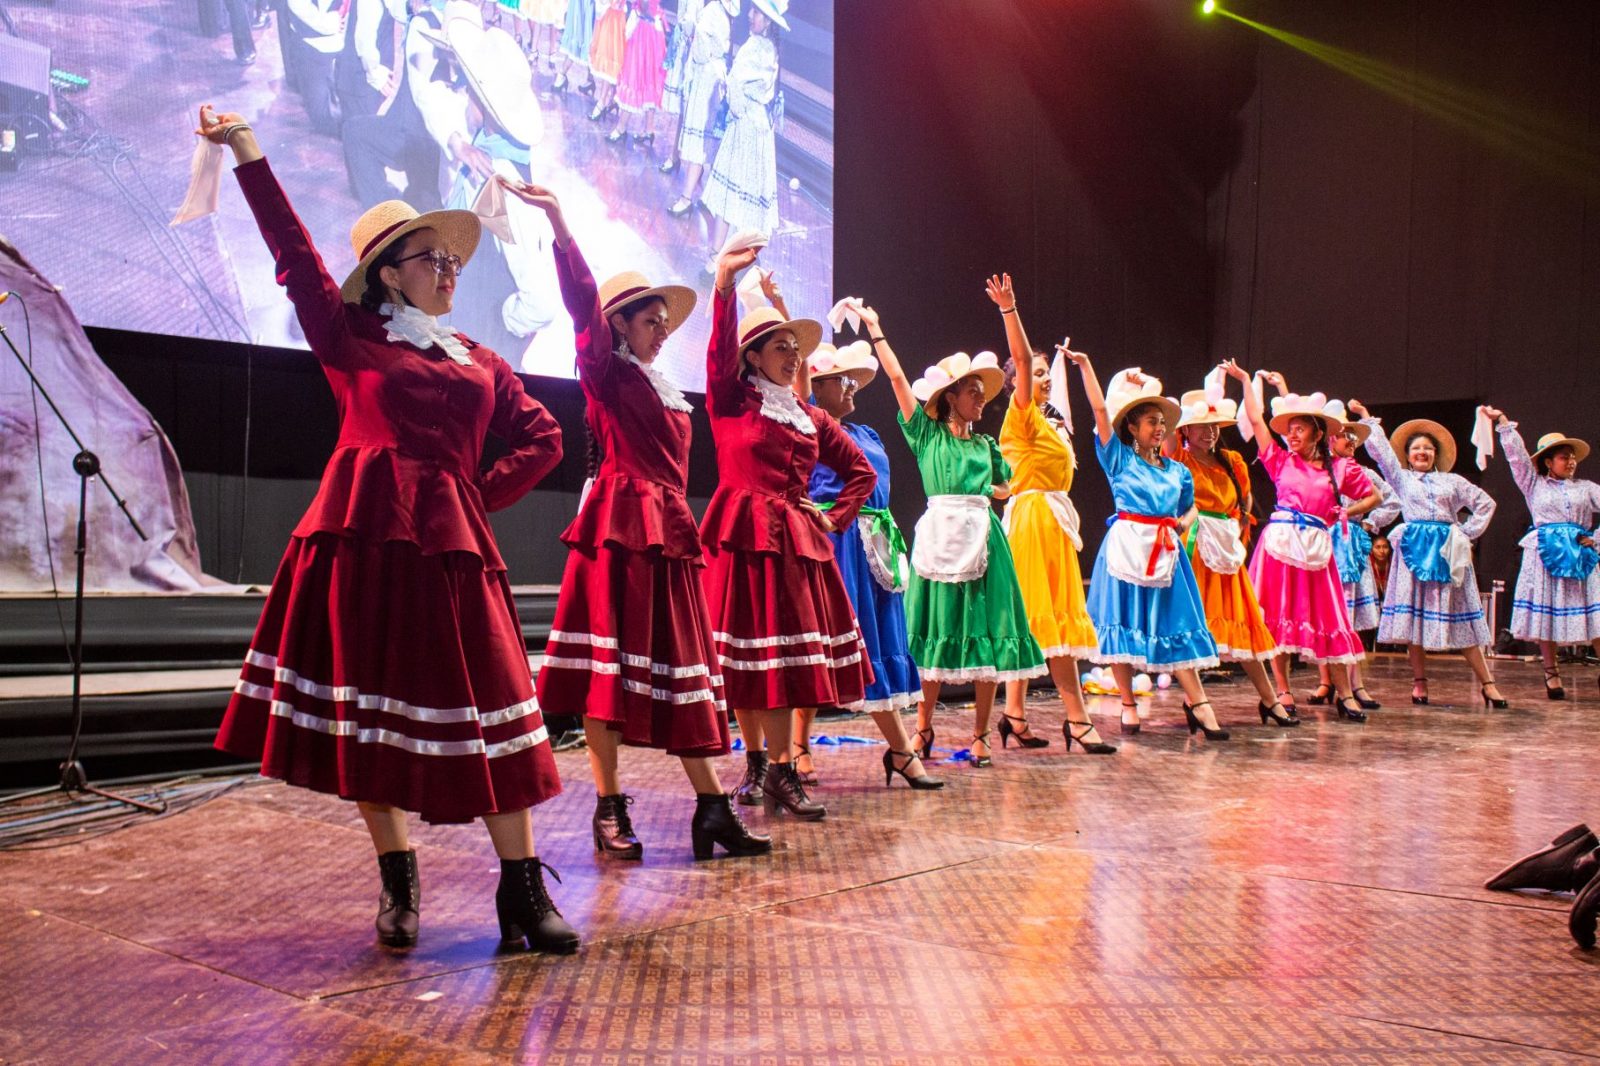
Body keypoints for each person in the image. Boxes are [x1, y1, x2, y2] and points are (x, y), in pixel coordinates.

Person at [200, 105, 578, 955]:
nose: (448, 272)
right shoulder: (351, 339)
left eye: (453, 260)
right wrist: (248, 151)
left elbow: (545, 438)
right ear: (387, 274)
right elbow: (295, 258)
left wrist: (471, 495)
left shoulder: (480, 357)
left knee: (494, 702)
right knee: (368, 710)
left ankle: (521, 890)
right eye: (431, 260)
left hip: (451, 549)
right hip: (364, 542)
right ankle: (398, 877)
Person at [520, 183, 771, 861]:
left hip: (667, 532)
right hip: (622, 528)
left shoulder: (663, 386)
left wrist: (725, 287)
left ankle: (711, 806)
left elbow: (720, 362)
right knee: (608, 670)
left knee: (682, 666)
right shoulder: (606, 373)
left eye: (665, 321)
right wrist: (560, 224)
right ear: (621, 326)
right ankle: (608, 805)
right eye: (652, 321)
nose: (663, 331)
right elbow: (582, 307)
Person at [702, 249, 875, 820]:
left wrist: (830, 515)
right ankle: (757, 766)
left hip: (792, 547)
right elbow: (717, 353)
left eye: (795, 348)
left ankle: (780, 770)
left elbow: (862, 472)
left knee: (779, 663)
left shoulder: (810, 416)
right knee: (746, 661)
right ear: (752, 357)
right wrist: (724, 286)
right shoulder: (732, 401)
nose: (792, 355)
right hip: (742, 539)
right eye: (781, 346)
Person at [877, 322, 1046, 767]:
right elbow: (897, 379)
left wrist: (990, 492)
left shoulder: (986, 445)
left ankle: (982, 734)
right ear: (951, 397)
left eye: (982, 393)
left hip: (984, 540)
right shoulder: (927, 435)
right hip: (940, 538)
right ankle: (923, 728)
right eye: (973, 391)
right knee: (935, 632)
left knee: (986, 635)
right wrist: (877, 331)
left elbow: (1005, 485)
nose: (981, 399)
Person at [797, 322, 943, 789]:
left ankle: (807, 747)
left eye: (852, 380)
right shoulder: (808, 427)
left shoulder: (865, 431)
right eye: (841, 380)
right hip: (839, 544)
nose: (851, 387)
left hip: (877, 544)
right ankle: (897, 749)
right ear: (818, 387)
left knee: (874, 641)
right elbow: (798, 386)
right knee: (834, 642)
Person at [1068, 354, 1227, 740]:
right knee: (1121, 625)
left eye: (1161, 422)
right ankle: (1127, 703)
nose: (1159, 428)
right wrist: (1087, 366)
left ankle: (1199, 703)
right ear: (1132, 427)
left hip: (1165, 552)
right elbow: (1100, 410)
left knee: (1177, 623)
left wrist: (1183, 524)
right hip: (1126, 549)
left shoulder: (1177, 470)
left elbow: (1190, 506)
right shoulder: (1119, 460)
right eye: (1151, 422)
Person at [989, 278, 1114, 753]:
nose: (1043, 378)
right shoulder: (1021, 413)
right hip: (1035, 522)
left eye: (1045, 373)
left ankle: (1014, 715)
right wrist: (1010, 310)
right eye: (1037, 373)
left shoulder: (1050, 422)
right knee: (1051, 619)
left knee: (1035, 619)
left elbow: (1013, 480)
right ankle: (1078, 719)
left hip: (1050, 519)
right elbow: (1020, 360)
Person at [1230, 365, 1381, 722]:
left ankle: (1345, 693)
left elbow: (1374, 496)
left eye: (1300, 428)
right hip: (1279, 547)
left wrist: (1344, 512)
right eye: (1290, 429)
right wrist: (1245, 382)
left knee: (1330, 617)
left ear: (1318, 433)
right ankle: (1282, 690)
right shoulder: (1280, 460)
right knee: (1278, 617)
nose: (1292, 434)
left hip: (1316, 548)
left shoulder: (1340, 468)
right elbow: (1256, 420)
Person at [1347, 401, 1507, 708]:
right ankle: (1419, 681)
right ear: (1407, 455)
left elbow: (1485, 504)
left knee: (1462, 615)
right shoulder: (1401, 478)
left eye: (1428, 448)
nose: (1422, 452)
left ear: (1436, 454)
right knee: (1415, 619)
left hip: (1447, 553)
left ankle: (1488, 684)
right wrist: (1367, 419)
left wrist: (1465, 532)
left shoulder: (1453, 481)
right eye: (1416, 448)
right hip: (1414, 551)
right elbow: (1382, 454)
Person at [1164, 376, 1295, 727]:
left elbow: (1245, 498)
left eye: (1214, 426)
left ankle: (1270, 699)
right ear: (1185, 430)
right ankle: (1196, 702)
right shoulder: (1179, 459)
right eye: (1201, 426)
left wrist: (1236, 526)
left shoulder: (1232, 461)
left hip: (1226, 551)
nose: (1209, 432)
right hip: (1195, 550)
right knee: (1193, 624)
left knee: (1243, 623)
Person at [1486, 410, 1600, 699]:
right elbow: (1517, 458)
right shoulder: (1533, 485)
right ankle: (1551, 673)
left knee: (1596, 615)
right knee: (1546, 614)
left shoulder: (1586, 488)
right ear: (1548, 462)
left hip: (1579, 556)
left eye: (1572, 457)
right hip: (1544, 555)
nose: (1570, 461)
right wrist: (1503, 424)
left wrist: (1597, 539)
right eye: (1563, 457)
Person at [1309, 399, 1400, 710]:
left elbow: (1390, 500)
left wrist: (1368, 521)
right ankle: (1326, 681)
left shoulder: (1362, 472)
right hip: (1322, 541)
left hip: (1350, 543)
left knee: (1349, 618)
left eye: (1354, 437)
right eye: (1346, 435)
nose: (1351, 442)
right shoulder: (1318, 469)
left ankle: (1355, 683)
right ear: (1329, 438)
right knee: (1325, 615)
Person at [701, 0, 783, 258]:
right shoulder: (768, 47)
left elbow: (735, 88)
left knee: (730, 193)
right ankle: (731, 255)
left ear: (768, 21)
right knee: (744, 193)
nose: (750, 15)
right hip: (758, 127)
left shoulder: (757, 48)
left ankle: (716, 256)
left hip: (746, 125)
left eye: (756, 12)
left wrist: (732, 105)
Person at [664, 0, 735, 194]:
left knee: (702, 128)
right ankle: (677, 158)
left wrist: (691, 32)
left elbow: (704, 46)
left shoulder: (716, 11)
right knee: (696, 120)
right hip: (698, 65)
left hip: (705, 71)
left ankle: (691, 192)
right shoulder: (713, 9)